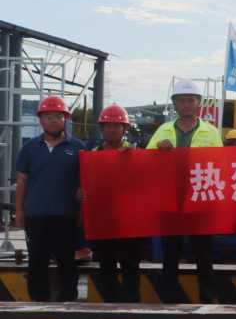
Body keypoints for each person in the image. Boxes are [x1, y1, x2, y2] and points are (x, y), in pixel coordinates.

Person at [146, 79, 222, 302]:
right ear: (175, 104)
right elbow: (146, 163)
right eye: (182, 100)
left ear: (198, 103)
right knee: (171, 255)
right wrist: (158, 151)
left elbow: (221, 166)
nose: (186, 104)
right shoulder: (163, 131)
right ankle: (170, 302)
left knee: (203, 255)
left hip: (200, 202)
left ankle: (207, 302)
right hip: (171, 202)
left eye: (191, 100)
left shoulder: (211, 132)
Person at [15, 96, 85, 302]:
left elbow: (86, 183)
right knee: (37, 263)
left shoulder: (79, 148)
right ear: (41, 120)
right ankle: (39, 304)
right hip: (36, 217)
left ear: (65, 119)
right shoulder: (29, 148)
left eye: (57, 116)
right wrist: (19, 211)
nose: (53, 120)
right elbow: (22, 181)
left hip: (66, 217)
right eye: (48, 116)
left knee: (67, 263)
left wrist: (81, 211)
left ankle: (67, 304)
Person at [91, 104, 142, 303]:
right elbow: (86, 185)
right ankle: (109, 305)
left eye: (117, 126)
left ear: (125, 129)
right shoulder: (92, 155)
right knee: (106, 265)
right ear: (102, 129)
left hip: (129, 221)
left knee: (131, 265)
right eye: (108, 126)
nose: (112, 129)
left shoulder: (135, 153)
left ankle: (132, 304)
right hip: (104, 220)